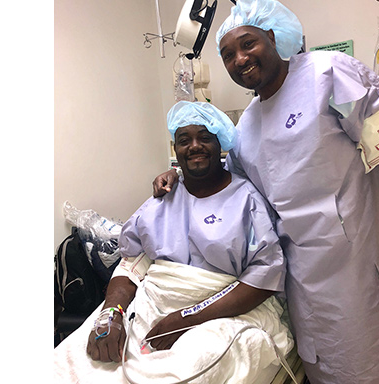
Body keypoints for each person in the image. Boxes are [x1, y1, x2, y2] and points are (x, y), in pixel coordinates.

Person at [152, 0, 379, 384]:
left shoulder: (328, 73)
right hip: (302, 276)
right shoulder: (245, 129)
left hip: (360, 261)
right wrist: (177, 177)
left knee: (378, 364)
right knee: (323, 366)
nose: (240, 59)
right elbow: (227, 184)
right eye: (228, 54)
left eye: (248, 44)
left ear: (274, 36)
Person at [79, 100, 291, 383]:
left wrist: (187, 318)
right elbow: (132, 264)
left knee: (187, 371)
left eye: (205, 138)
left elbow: (264, 277)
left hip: (227, 311)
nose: (194, 146)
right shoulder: (163, 199)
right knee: (84, 364)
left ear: (220, 145)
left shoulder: (246, 201)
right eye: (184, 140)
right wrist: (111, 313)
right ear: (175, 149)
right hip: (154, 300)